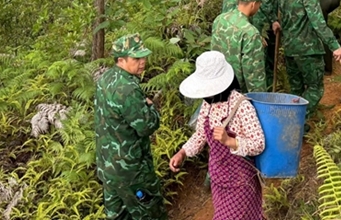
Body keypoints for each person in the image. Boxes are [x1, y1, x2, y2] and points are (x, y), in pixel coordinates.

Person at [169, 51, 265, 220]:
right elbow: (200, 134)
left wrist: (230, 141)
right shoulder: (208, 105)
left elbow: (258, 143)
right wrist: (182, 153)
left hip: (241, 183)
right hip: (218, 179)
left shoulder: (242, 106)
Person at [95, 34, 167, 220]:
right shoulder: (128, 89)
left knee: (118, 215)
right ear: (121, 60)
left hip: (108, 166)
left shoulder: (105, 79)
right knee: (150, 212)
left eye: (143, 57)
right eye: (136, 58)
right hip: (131, 170)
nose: (142, 62)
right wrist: (151, 107)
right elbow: (147, 126)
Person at [279, 0, 341, 118]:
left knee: (296, 89)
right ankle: (297, 119)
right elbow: (318, 22)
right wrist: (334, 46)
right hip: (308, 49)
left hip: (289, 48)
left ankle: (293, 120)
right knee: (315, 88)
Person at [211, 0, 267, 93]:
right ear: (253, 4)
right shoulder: (250, 33)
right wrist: (260, 97)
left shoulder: (219, 20)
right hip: (237, 93)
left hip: (217, 86)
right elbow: (254, 75)